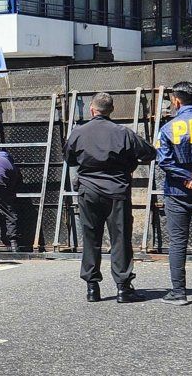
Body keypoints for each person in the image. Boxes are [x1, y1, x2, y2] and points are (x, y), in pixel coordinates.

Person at [63, 93, 156, 303]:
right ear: (111, 110)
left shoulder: (78, 132)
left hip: (88, 190)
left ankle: (92, 288)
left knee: (90, 237)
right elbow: (149, 153)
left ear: (92, 110)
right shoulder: (123, 132)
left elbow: (69, 159)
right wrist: (129, 163)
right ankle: (123, 288)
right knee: (120, 238)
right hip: (117, 190)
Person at [156, 82, 192, 306]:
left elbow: (164, 162)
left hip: (177, 191)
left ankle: (179, 293)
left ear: (176, 101)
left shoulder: (168, 128)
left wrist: (188, 177)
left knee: (178, 242)